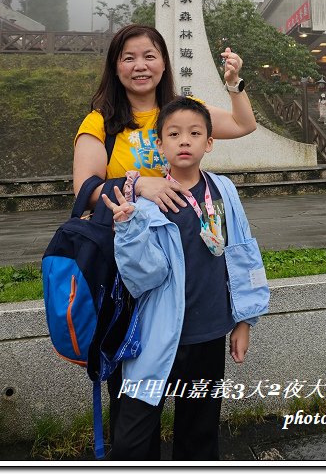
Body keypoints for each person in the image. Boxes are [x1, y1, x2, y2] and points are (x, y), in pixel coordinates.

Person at [72, 23, 257, 445]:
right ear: (115, 66)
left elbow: (244, 125)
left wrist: (235, 84)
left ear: (164, 62)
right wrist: (140, 185)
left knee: (198, 415)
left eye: (150, 56)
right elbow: (85, 190)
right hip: (134, 279)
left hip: (195, 271)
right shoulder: (101, 121)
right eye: (129, 57)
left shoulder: (182, 112)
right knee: (135, 414)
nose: (141, 66)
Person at [101, 97, 268, 461]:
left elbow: (242, 254)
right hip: (157, 337)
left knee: (200, 431)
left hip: (209, 334)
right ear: (158, 144)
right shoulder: (147, 203)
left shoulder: (224, 191)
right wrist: (127, 230)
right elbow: (143, 279)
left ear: (210, 142)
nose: (184, 141)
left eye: (195, 133)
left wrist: (245, 320)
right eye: (173, 134)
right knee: (134, 436)